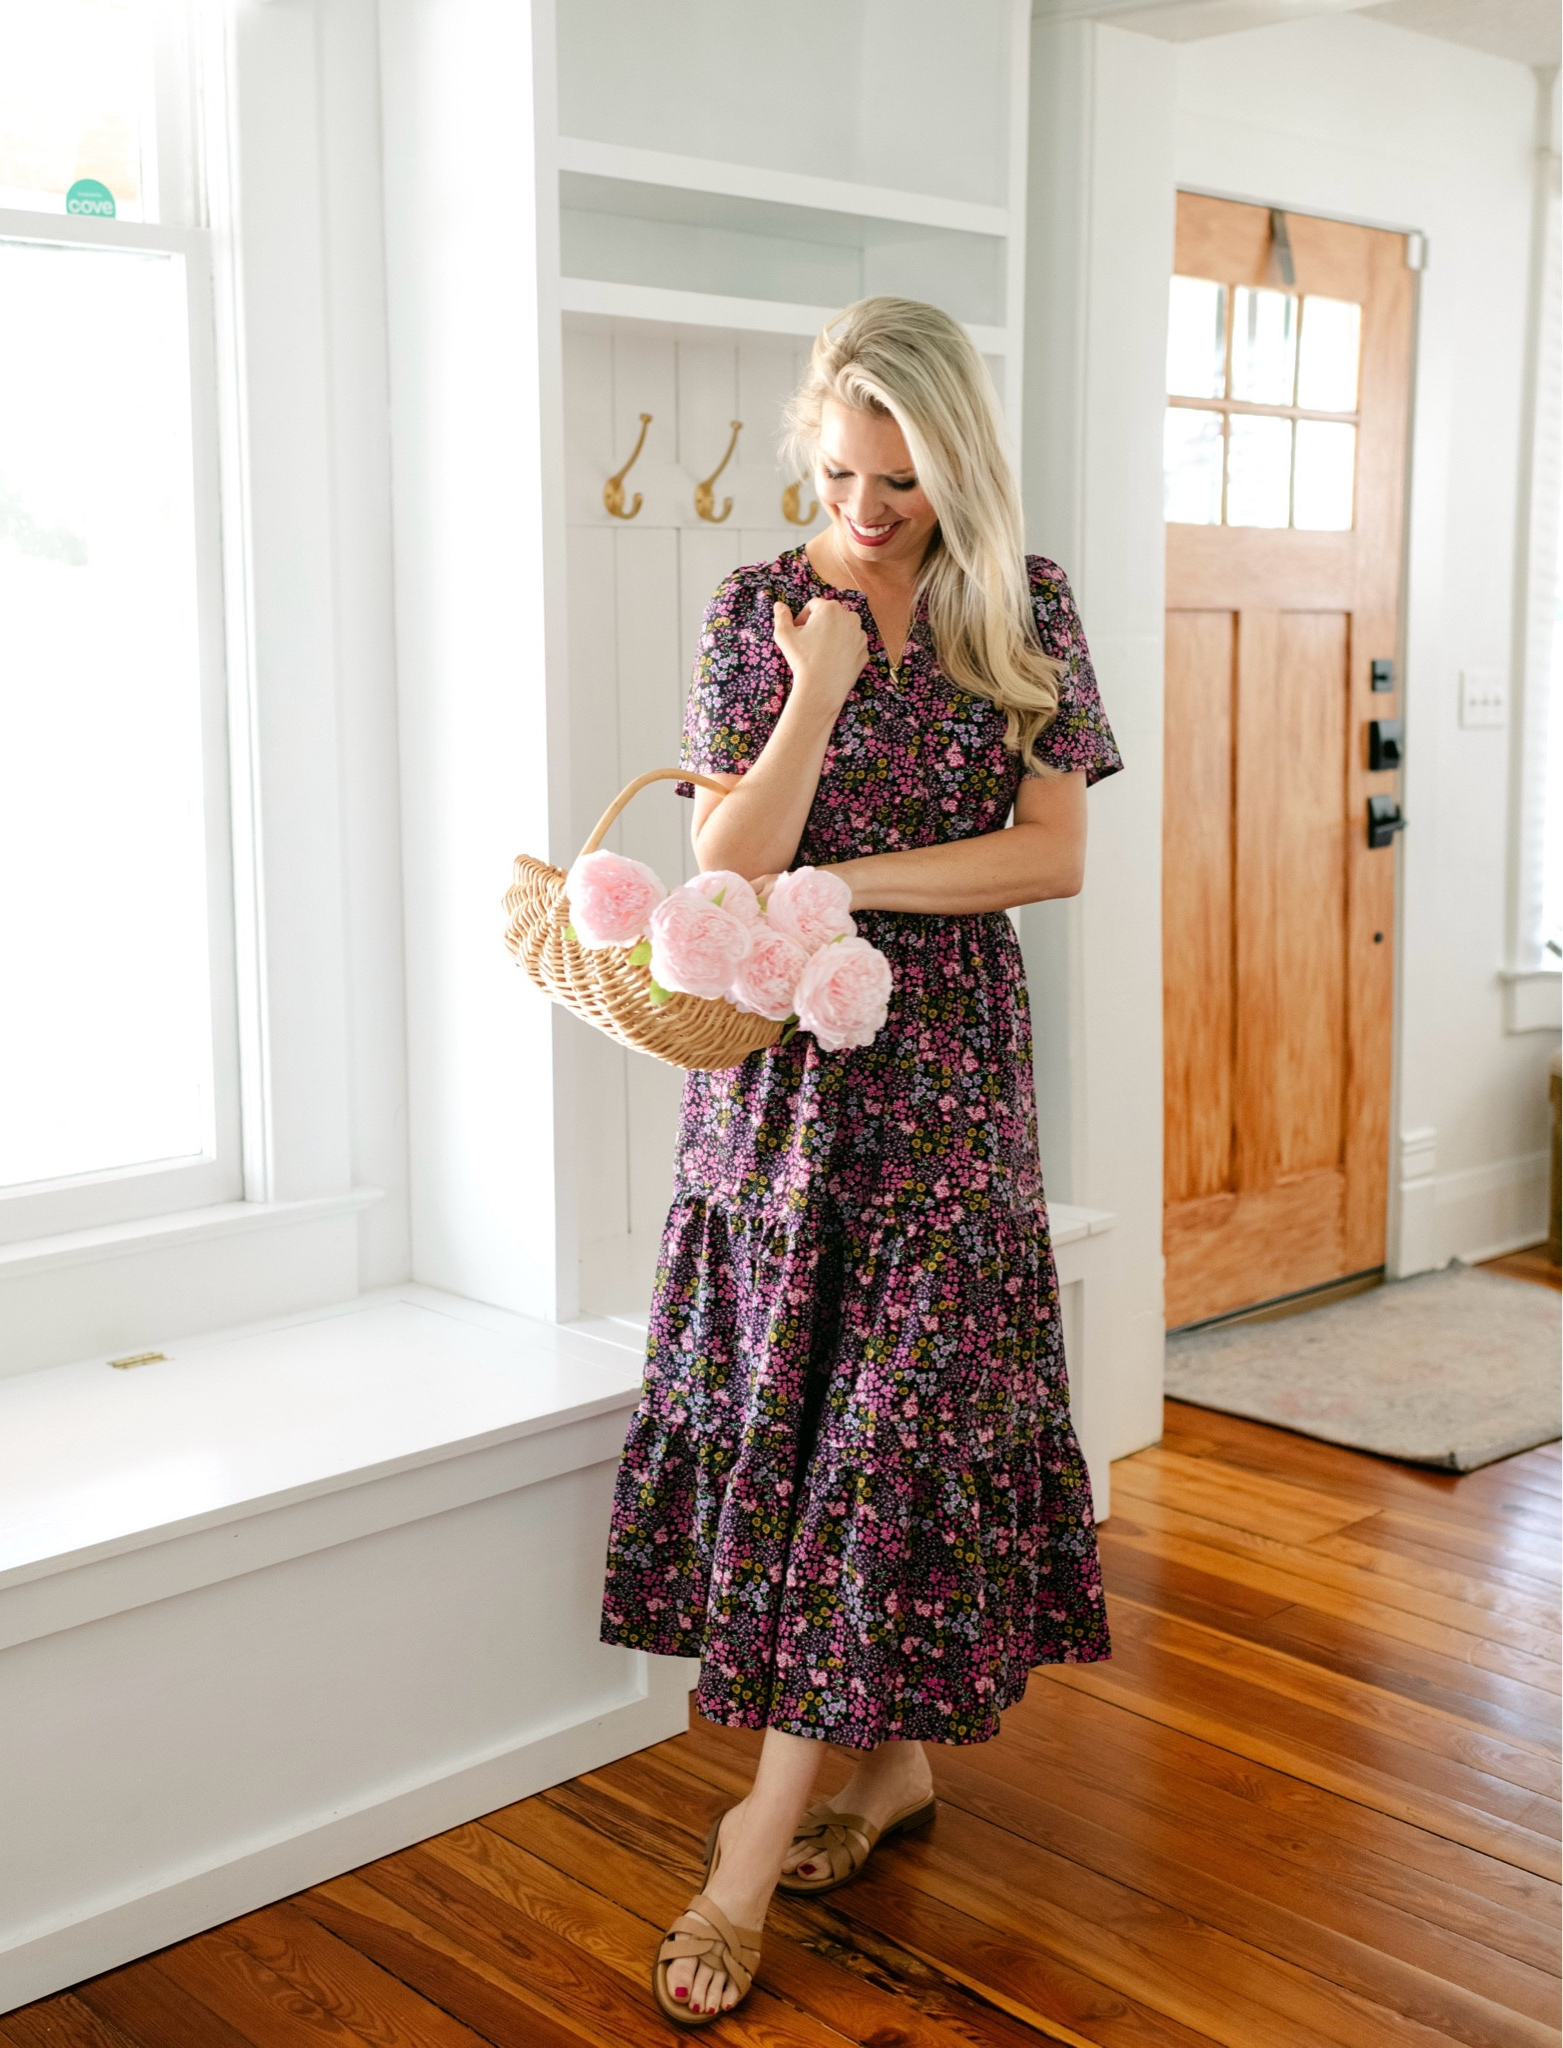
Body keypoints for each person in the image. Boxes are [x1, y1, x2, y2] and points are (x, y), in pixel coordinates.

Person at [599, 296, 1120, 2027]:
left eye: (896, 479)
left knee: (886, 1441)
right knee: (816, 1433)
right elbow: (723, 867)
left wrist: (855, 889)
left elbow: (1051, 860)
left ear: (953, 458)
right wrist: (817, 692)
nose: (864, 508)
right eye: (837, 471)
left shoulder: (1026, 605)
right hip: (785, 1100)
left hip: (950, 1088)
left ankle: (749, 1852)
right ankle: (885, 1777)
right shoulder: (760, 608)